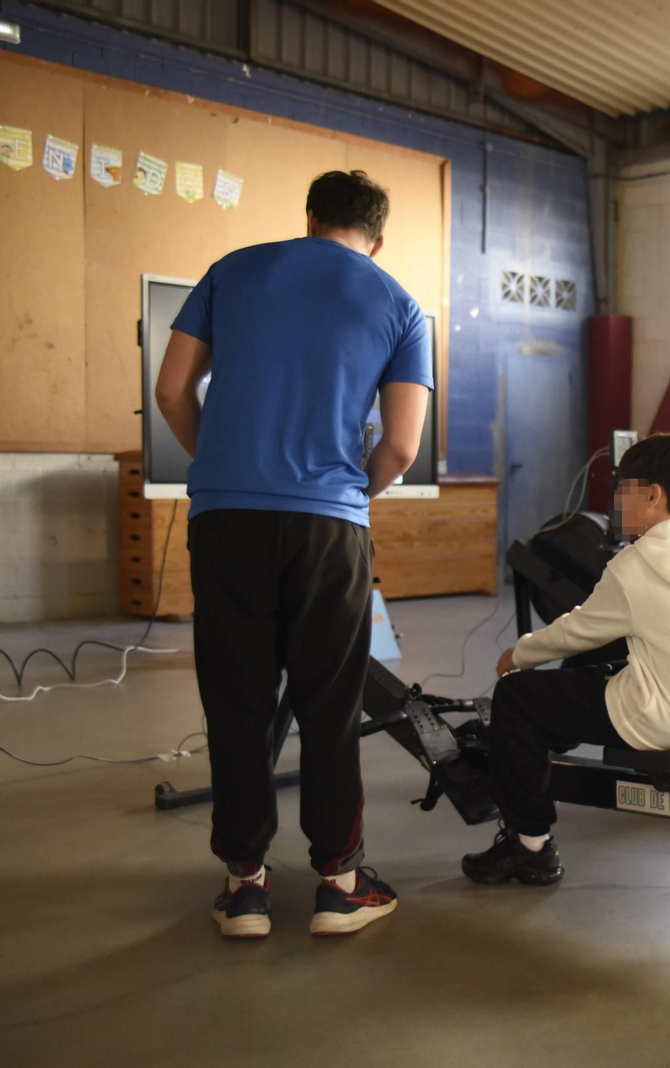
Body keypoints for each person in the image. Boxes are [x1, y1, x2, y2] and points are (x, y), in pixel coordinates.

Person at [156, 170, 430, 938]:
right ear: (378, 238)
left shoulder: (231, 271)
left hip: (227, 518)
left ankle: (244, 887)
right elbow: (402, 445)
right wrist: (350, 494)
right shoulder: (398, 303)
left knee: (236, 702)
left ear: (309, 217)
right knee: (330, 706)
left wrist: (222, 465)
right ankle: (339, 884)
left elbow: (172, 389)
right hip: (328, 527)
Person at [462, 434, 670, 886]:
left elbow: (577, 630)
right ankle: (540, 744)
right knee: (610, 660)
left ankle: (530, 847)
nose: (615, 499)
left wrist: (518, 653)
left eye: (623, 489)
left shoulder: (637, 564)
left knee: (517, 697)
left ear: (653, 496)